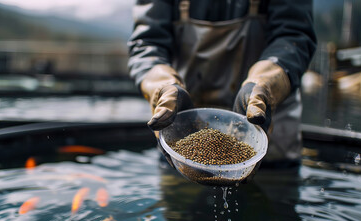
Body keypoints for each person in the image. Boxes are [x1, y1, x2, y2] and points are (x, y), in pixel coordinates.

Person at [127, 0, 317, 168]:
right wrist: (163, 86)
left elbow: (293, 35)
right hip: (181, 144)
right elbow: (147, 44)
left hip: (271, 147)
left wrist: (265, 83)